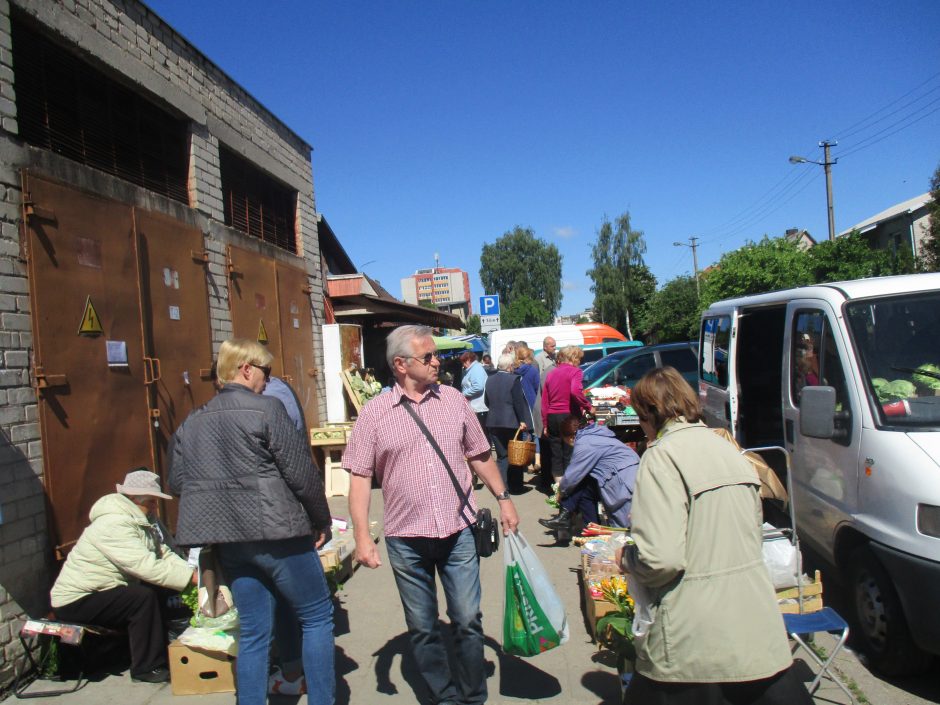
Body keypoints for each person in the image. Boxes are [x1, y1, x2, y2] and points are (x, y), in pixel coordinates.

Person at [343, 325, 520, 705]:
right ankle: (445, 697)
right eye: (429, 357)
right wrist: (361, 537)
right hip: (406, 539)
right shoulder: (374, 414)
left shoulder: (454, 401)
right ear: (401, 365)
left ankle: (473, 697)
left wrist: (504, 498)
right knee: (422, 628)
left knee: (468, 620)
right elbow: (359, 478)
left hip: (458, 531)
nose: (438, 361)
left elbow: (479, 454)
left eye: (436, 355)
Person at [617, 367, 811, 704]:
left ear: (650, 412)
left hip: (694, 633)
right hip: (754, 623)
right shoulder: (730, 451)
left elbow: (662, 558)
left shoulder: (661, 457)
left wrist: (628, 558)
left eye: (640, 416)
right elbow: (752, 532)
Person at [170, 338, 335, 705]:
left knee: (255, 632)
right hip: (280, 536)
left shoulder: (192, 422)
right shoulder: (267, 409)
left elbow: (178, 482)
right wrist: (321, 521)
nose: (268, 380)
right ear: (246, 369)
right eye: (266, 372)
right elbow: (302, 475)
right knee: (317, 617)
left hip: (231, 542)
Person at [50, 469, 196, 684]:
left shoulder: (139, 520)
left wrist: (190, 573)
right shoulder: (113, 524)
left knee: (152, 591)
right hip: (77, 600)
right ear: (133, 500)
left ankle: (166, 651)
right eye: (152, 502)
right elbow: (144, 566)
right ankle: (147, 668)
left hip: (103, 589)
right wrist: (190, 579)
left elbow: (162, 553)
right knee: (140, 598)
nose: (155, 507)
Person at [539, 415, 639, 532]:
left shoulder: (585, 443)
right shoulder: (596, 435)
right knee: (584, 488)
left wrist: (560, 493)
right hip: (625, 475)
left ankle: (567, 518)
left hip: (624, 482)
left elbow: (572, 475)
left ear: (570, 438)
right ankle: (589, 528)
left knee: (626, 532)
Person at [541, 346, 592, 486]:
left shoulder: (551, 373)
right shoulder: (575, 372)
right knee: (570, 452)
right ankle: (570, 489)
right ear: (574, 358)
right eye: (579, 359)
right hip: (569, 415)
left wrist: (545, 423)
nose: (580, 362)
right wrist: (588, 406)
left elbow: (545, 401)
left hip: (552, 416)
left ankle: (558, 487)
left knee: (556, 454)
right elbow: (575, 391)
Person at [484, 353, 533, 493]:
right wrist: (523, 420)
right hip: (511, 422)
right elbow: (518, 402)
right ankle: (516, 486)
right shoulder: (514, 379)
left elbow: (487, 401)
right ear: (510, 366)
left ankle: (501, 488)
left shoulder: (489, 380)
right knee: (514, 455)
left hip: (493, 422)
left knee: (501, 456)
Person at [460, 350, 488, 432]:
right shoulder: (471, 369)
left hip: (478, 408)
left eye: (464, 361)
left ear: (468, 360)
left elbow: (478, 386)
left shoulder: (476, 369)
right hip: (474, 406)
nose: (463, 364)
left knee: (480, 433)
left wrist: (463, 394)